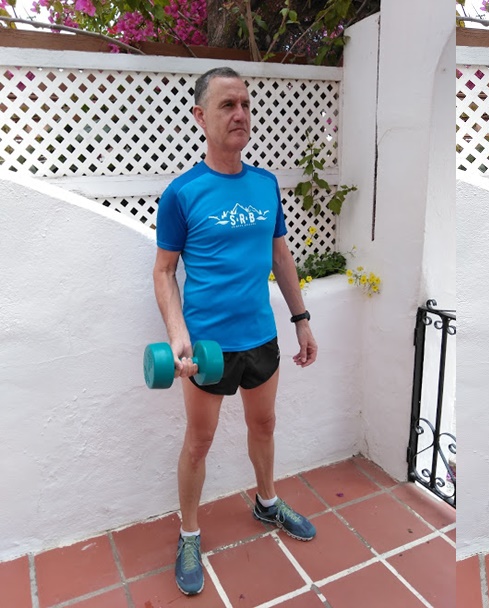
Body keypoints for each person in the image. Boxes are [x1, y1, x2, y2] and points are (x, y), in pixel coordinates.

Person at [152, 67, 318, 596]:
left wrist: (301, 318)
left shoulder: (266, 184)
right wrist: (177, 335)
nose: (240, 114)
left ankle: (266, 503)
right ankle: (190, 532)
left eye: (245, 103)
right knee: (199, 443)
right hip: (206, 349)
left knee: (264, 426)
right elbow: (163, 272)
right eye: (226, 105)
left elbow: (280, 255)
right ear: (201, 116)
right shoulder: (182, 194)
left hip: (261, 338)